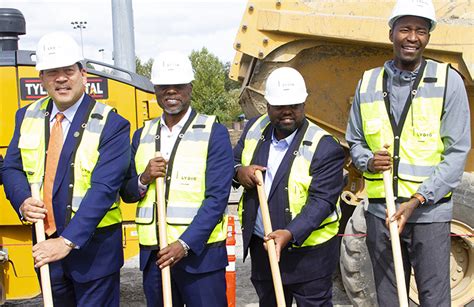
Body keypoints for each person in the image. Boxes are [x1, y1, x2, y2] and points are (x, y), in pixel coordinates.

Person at [346, 0, 471, 305]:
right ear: (391, 33)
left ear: (428, 36)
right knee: (388, 297)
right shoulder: (368, 82)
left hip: (428, 212)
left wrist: (417, 200)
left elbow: (457, 153)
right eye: (405, 29)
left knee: (434, 297)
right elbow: (355, 141)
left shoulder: (447, 82)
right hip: (381, 212)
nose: (412, 37)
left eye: (420, 30)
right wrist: (368, 161)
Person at [3, 32, 130, 306]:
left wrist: (67, 241)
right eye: (52, 72)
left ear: (83, 74)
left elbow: (104, 189)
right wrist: (23, 201)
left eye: (68, 71)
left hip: (95, 254)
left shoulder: (113, 124)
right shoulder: (26, 115)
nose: (61, 78)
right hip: (44, 244)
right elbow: (12, 168)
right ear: (42, 79)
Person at [120, 51, 233, 307]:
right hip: (155, 256)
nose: (171, 92)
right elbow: (127, 192)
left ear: (190, 88)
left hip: (200, 257)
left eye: (178, 86)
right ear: (156, 90)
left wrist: (184, 244)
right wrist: (144, 177)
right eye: (164, 87)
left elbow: (216, 199)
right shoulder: (142, 135)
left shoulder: (213, 133)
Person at [234, 67, 345, 306]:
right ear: (268, 105)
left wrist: (289, 234)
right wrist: (239, 172)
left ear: (304, 103)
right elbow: (232, 163)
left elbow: (322, 201)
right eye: (280, 106)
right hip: (263, 249)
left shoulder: (324, 146)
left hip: (309, 257)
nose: (287, 112)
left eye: (294, 105)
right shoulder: (254, 129)